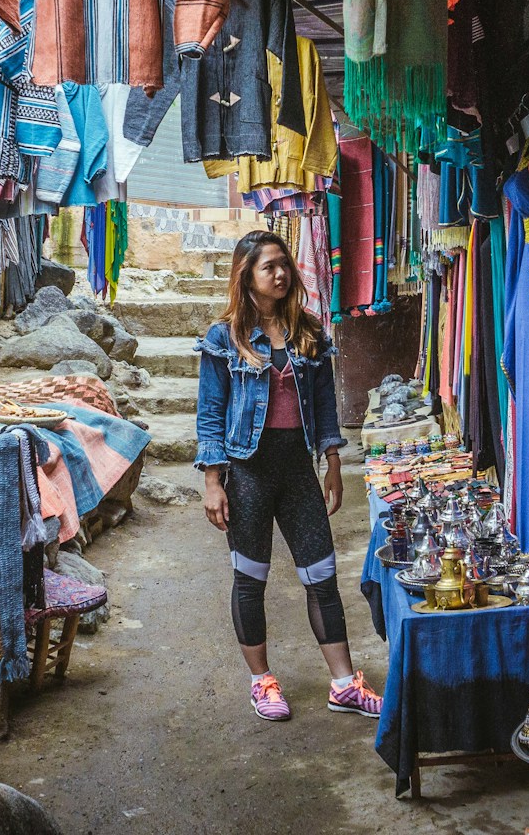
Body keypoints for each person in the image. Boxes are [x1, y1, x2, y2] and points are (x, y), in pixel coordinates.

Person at [195, 231, 381, 722]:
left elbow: (324, 405)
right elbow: (210, 413)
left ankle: (344, 684)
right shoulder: (224, 337)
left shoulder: (309, 331)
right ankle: (262, 682)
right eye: (269, 267)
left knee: (322, 576)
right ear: (246, 276)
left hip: (298, 470)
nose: (281, 274)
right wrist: (213, 481)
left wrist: (333, 461)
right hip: (248, 471)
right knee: (250, 579)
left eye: (284, 265)